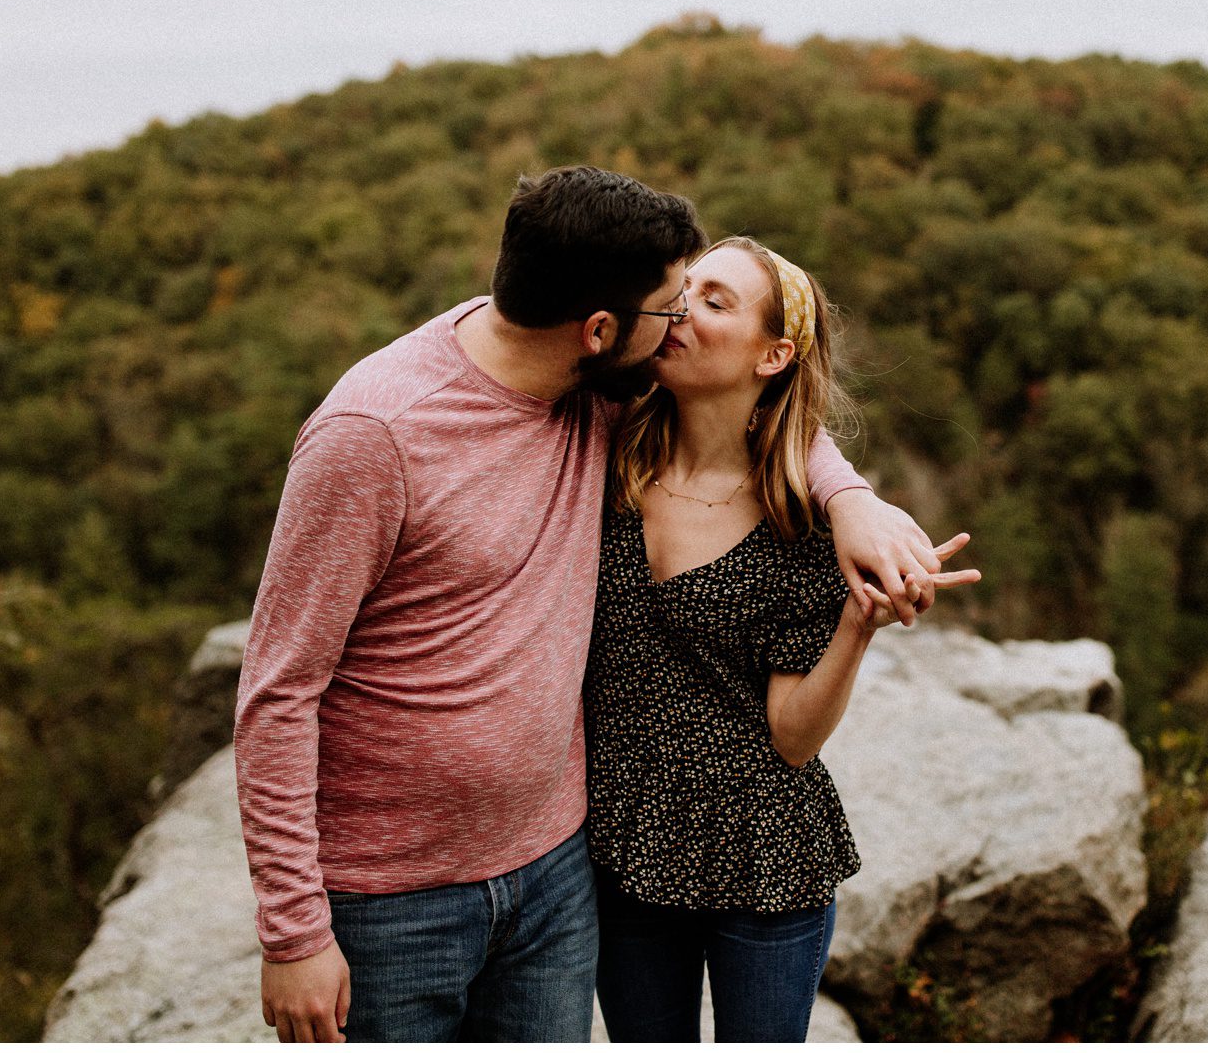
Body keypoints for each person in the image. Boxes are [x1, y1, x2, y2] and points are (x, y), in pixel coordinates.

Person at [233, 167, 949, 1042]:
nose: (679, 325)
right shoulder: (380, 435)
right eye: (671, 309)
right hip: (396, 904)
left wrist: (852, 501)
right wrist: (294, 930)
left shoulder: (603, 397)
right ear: (601, 330)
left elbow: (766, 421)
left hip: (558, 879)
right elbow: (277, 691)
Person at [584, 236, 978, 1042]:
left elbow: (792, 739)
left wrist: (856, 628)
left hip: (763, 859)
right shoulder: (604, 452)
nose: (684, 308)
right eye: (684, 290)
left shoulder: (801, 522)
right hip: (623, 852)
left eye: (718, 302)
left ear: (775, 354)